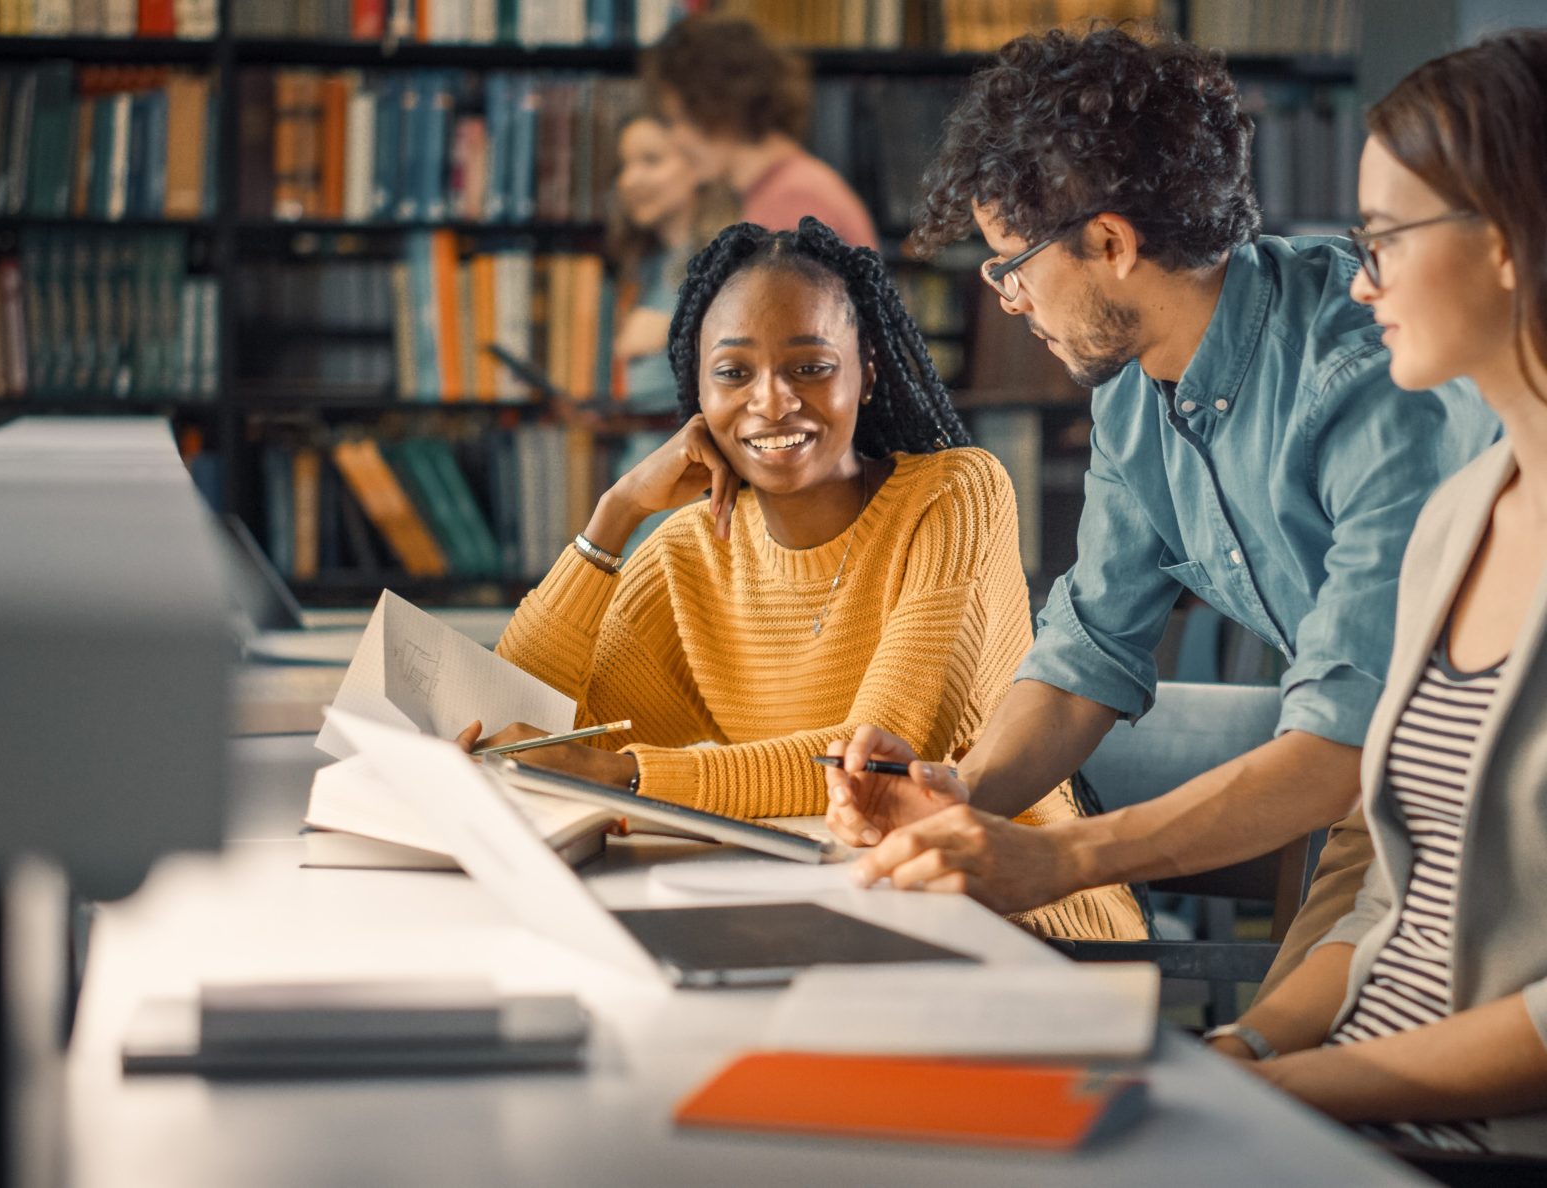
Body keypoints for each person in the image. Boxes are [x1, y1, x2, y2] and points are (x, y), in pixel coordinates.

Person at [820, 27, 1498, 994]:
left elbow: (1340, 752)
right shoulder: (1132, 400)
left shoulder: (1363, 378)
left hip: (1475, 785)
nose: (1007, 299)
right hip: (1385, 785)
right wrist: (955, 795)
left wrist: (1061, 859)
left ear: (1109, 242)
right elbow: (1085, 656)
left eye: (1010, 261)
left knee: (1295, 1086)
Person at [461, 217, 1145, 941]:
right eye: (733, 373)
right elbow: (533, 732)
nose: (772, 400)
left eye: (810, 367)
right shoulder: (686, 552)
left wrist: (630, 779)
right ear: (697, 391)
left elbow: (870, 764)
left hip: (1018, 917)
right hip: (830, 909)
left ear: (868, 370)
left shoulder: (953, 499)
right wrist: (614, 512)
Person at [1201, 31, 1547, 1157]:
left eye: (1385, 238)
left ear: (1505, 242)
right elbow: (1389, 907)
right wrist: (1248, 1050)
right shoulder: (1458, 517)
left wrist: (1301, 1091)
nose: (1359, 282)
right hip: (1347, 1109)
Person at [640, 16, 878, 250]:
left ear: (719, 103)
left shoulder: (795, 200)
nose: (675, 139)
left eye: (679, 120)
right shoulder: (781, 189)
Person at [606, 112, 741, 410]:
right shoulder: (644, 266)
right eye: (622, 166)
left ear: (698, 166)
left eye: (651, 160)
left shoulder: (729, 261)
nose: (629, 180)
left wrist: (671, 330)